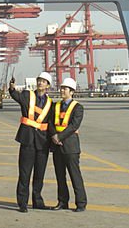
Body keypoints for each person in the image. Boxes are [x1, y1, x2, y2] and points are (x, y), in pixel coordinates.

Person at [8, 72, 54, 212]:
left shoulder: (50, 104)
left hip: (42, 143)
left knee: (39, 174)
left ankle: (37, 201)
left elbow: (52, 123)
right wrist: (11, 88)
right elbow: (16, 96)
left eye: (44, 81)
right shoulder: (28, 95)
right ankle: (22, 203)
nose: (40, 83)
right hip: (27, 140)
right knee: (25, 173)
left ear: (48, 85)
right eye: (39, 80)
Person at [50, 77, 87, 212]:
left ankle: (81, 203)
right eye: (62, 88)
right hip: (57, 146)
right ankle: (62, 201)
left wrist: (59, 136)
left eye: (65, 89)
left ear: (72, 92)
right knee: (60, 176)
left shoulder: (78, 108)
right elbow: (51, 122)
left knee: (75, 175)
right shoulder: (56, 106)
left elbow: (74, 125)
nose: (62, 91)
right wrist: (54, 136)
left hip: (70, 147)